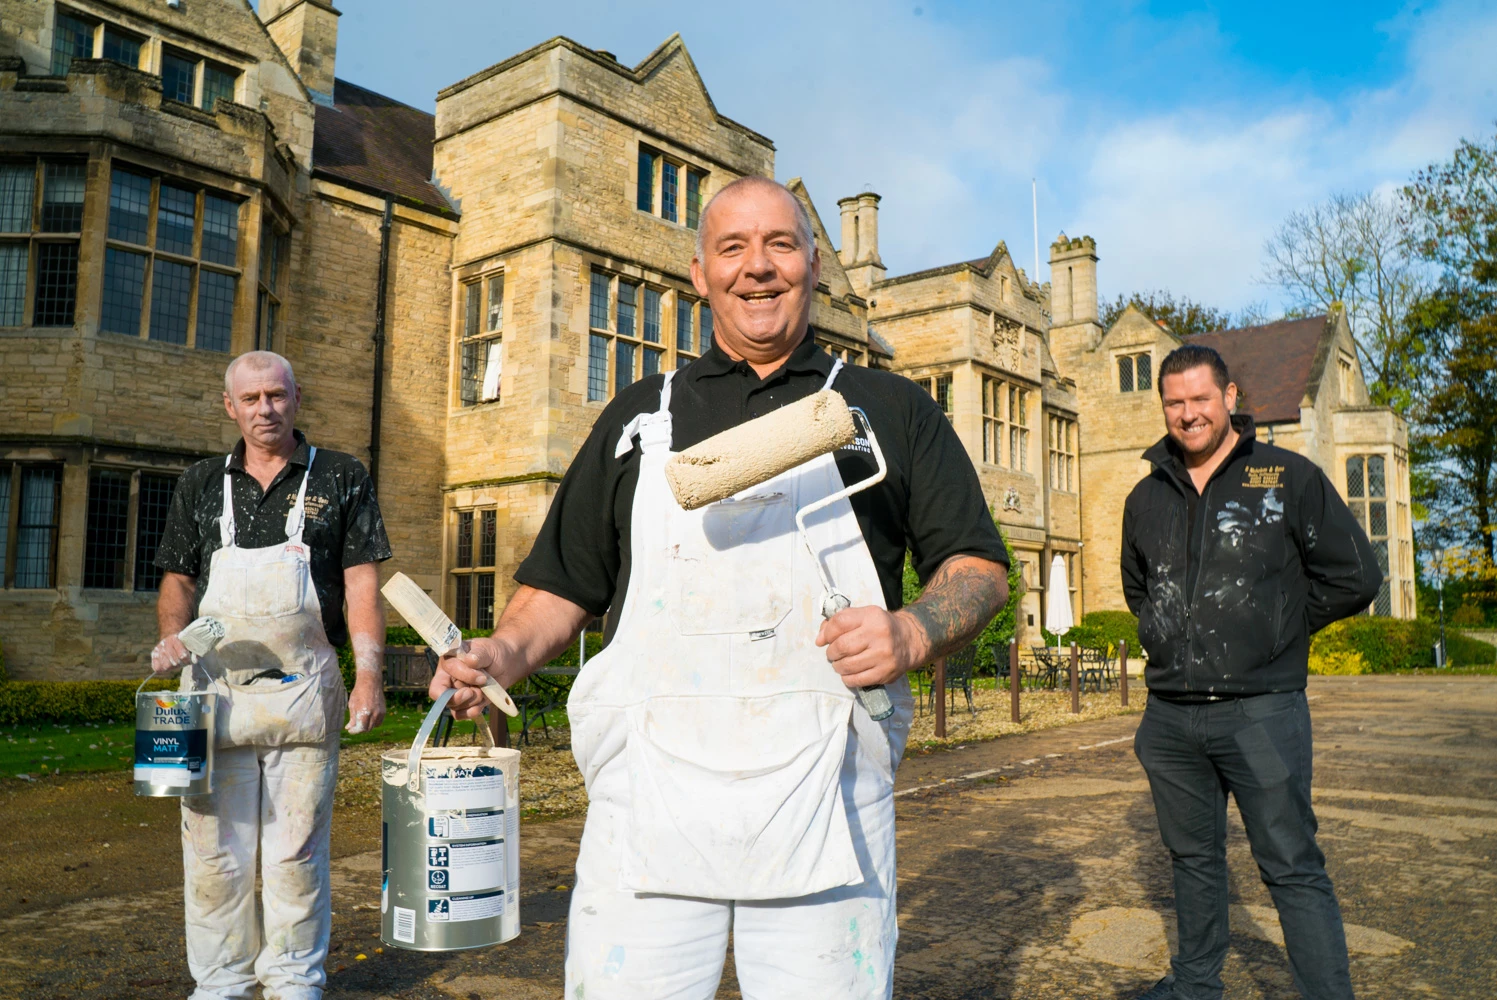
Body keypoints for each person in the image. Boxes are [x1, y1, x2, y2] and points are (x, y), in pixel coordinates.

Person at [433, 176, 1010, 998]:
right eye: (732, 248)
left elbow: (977, 569)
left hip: (828, 798)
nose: (758, 267)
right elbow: (562, 585)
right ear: (698, 272)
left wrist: (911, 632)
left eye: (780, 244)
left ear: (814, 265)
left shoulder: (888, 407)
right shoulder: (640, 417)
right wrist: (501, 653)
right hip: (648, 804)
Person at [1121, 344, 1381, 1000]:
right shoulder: (1144, 497)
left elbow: (1354, 576)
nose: (1187, 415)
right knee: (1192, 862)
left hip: (1261, 713)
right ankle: (1195, 985)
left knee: (1291, 866)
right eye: (1174, 403)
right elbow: (1138, 587)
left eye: (1199, 399)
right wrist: (1162, 635)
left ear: (1229, 398)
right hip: (1171, 719)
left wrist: (1276, 629)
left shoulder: (1286, 478)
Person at [151, 350, 391, 1000]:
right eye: (251, 398)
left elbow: (361, 581)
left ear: (297, 397)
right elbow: (178, 577)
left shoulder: (340, 476)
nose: (266, 409)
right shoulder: (201, 482)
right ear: (230, 406)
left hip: (304, 698)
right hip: (209, 704)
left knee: (294, 854)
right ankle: (221, 983)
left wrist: (368, 673)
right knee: (213, 858)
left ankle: (292, 982)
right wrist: (171, 638)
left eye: (277, 395)